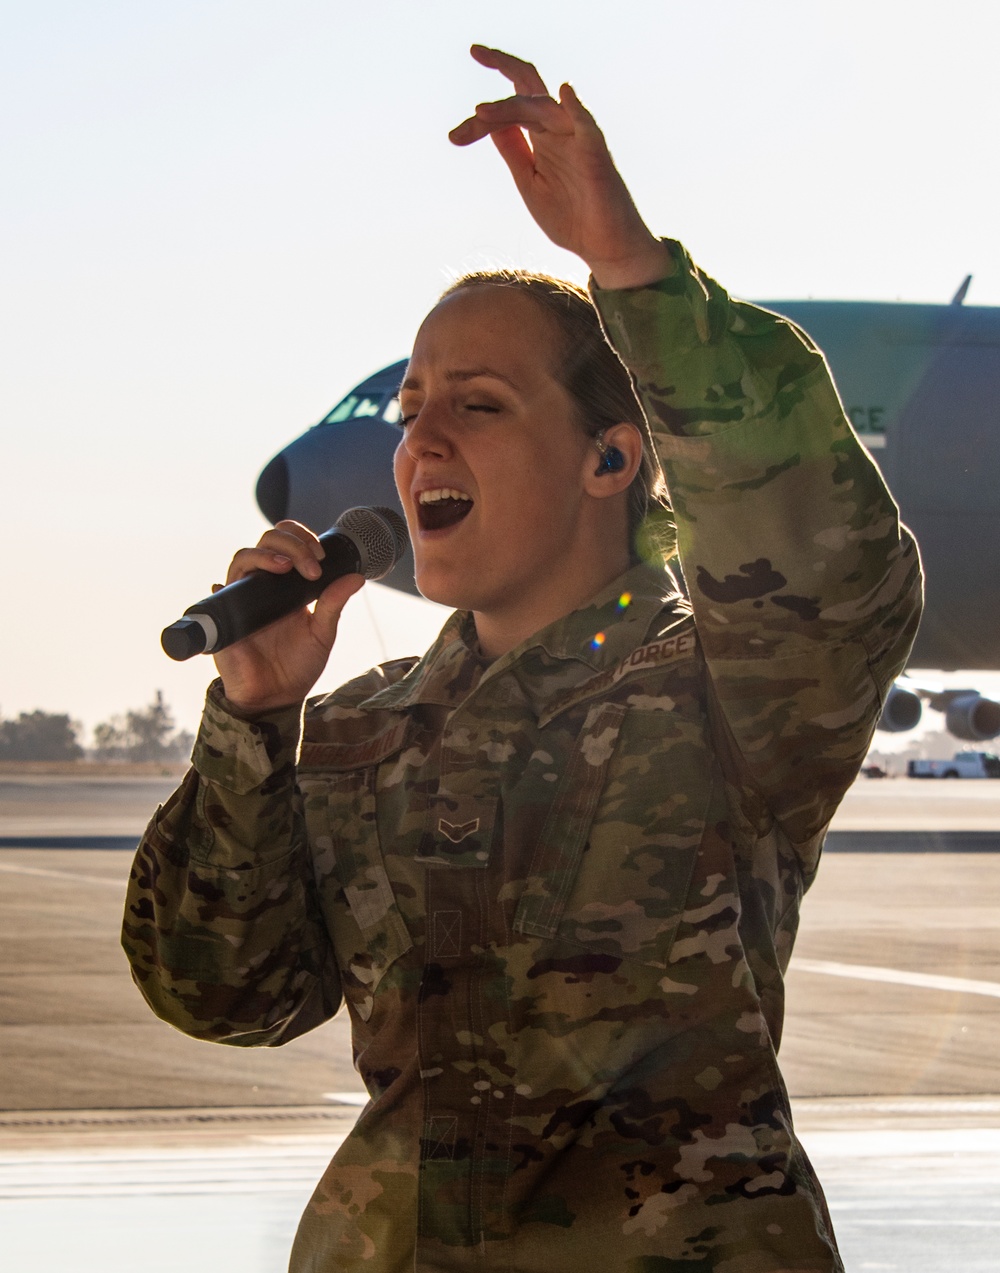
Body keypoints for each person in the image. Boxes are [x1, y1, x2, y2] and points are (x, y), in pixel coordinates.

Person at [122, 45, 922, 1273]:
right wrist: (253, 724)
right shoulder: (356, 731)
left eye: (478, 404)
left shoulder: (724, 697)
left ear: (612, 459)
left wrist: (630, 269)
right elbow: (224, 994)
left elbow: (818, 557)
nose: (420, 437)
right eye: (409, 412)